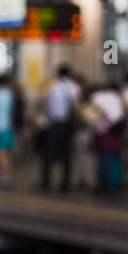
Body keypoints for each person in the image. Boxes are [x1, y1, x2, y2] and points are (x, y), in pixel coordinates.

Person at [41, 64, 79, 192]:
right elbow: (76, 105)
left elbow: (49, 106)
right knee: (66, 156)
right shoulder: (73, 87)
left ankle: (46, 182)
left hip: (55, 124)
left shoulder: (54, 86)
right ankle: (65, 184)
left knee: (48, 155)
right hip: (68, 125)